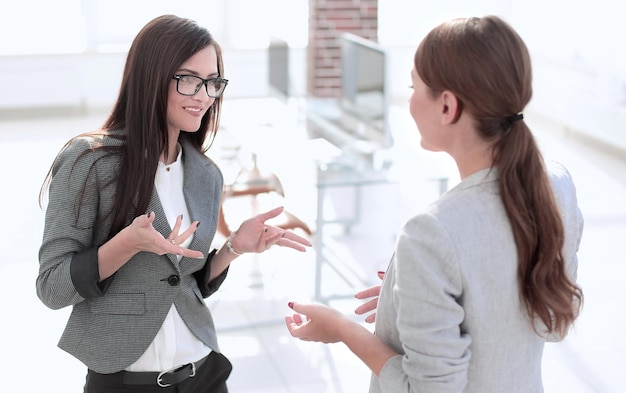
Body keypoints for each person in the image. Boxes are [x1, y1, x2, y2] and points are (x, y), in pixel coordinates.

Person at [285, 15, 584, 393]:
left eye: (414, 87)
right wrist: (418, 298)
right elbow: (546, 322)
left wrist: (341, 328)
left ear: (447, 106)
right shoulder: (559, 185)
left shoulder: (432, 232)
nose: (408, 101)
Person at [37, 14, 311, 393]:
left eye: (212, 82)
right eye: (188, 80)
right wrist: (127, 244)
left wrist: (233, 248)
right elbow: (52, 288)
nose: (203, 95)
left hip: (203, 374)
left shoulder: (206, 173)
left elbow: (183, 282)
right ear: (151, 76)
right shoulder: (90, 162)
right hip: (123, 382)